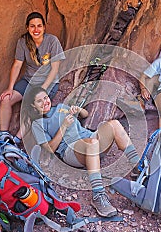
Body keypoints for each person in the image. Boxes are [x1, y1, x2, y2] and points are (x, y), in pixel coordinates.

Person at [28, 87, 141, 217]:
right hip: (71, 151)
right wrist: (63, 126)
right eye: (39, 101)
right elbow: (50, 149)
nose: (45, 102)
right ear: (33, 106)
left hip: (90, 138)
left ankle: (137, 166)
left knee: (114, 124)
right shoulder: (38, 124)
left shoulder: (60, 107)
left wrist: (79, 110)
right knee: (91, 144)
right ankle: (98, 196)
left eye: (46, 98)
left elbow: (85, 115)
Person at [0, 12, 65, 145]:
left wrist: (43, 89)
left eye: (39, 26)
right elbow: (17, 65)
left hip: (48, 83)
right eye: (32, 26)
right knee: (6, 99)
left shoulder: (52, 41)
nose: (36, 30)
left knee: (36, 107)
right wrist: (10, 88)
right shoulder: (23, 42)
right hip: (29, 80)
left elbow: (55, 69)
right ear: (27, 28)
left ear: (44, 27)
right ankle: (3, 135)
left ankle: (16, 140)